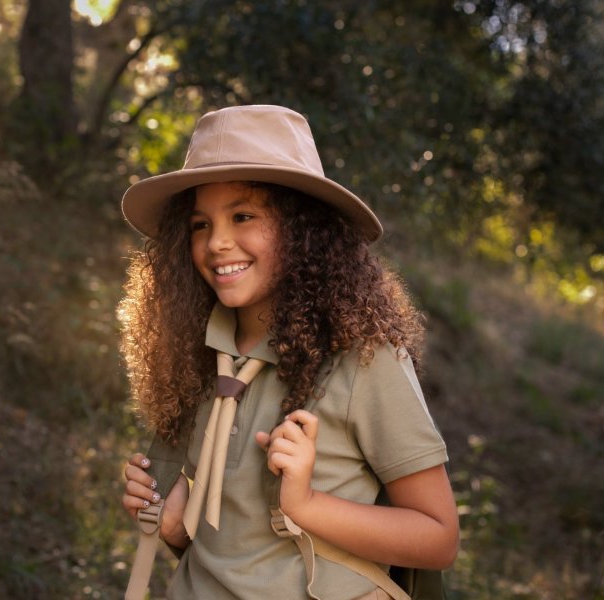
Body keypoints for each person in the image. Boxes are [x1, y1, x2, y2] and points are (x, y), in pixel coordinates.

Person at [119, 104, 458, 599]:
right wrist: (174, 526)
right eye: (199, 224)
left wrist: (307, 504)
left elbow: (439, 538)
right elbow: (236, 552)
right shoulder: (195, 354)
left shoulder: (364, 358)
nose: (217, 242)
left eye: (243, 216)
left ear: (304, 233)